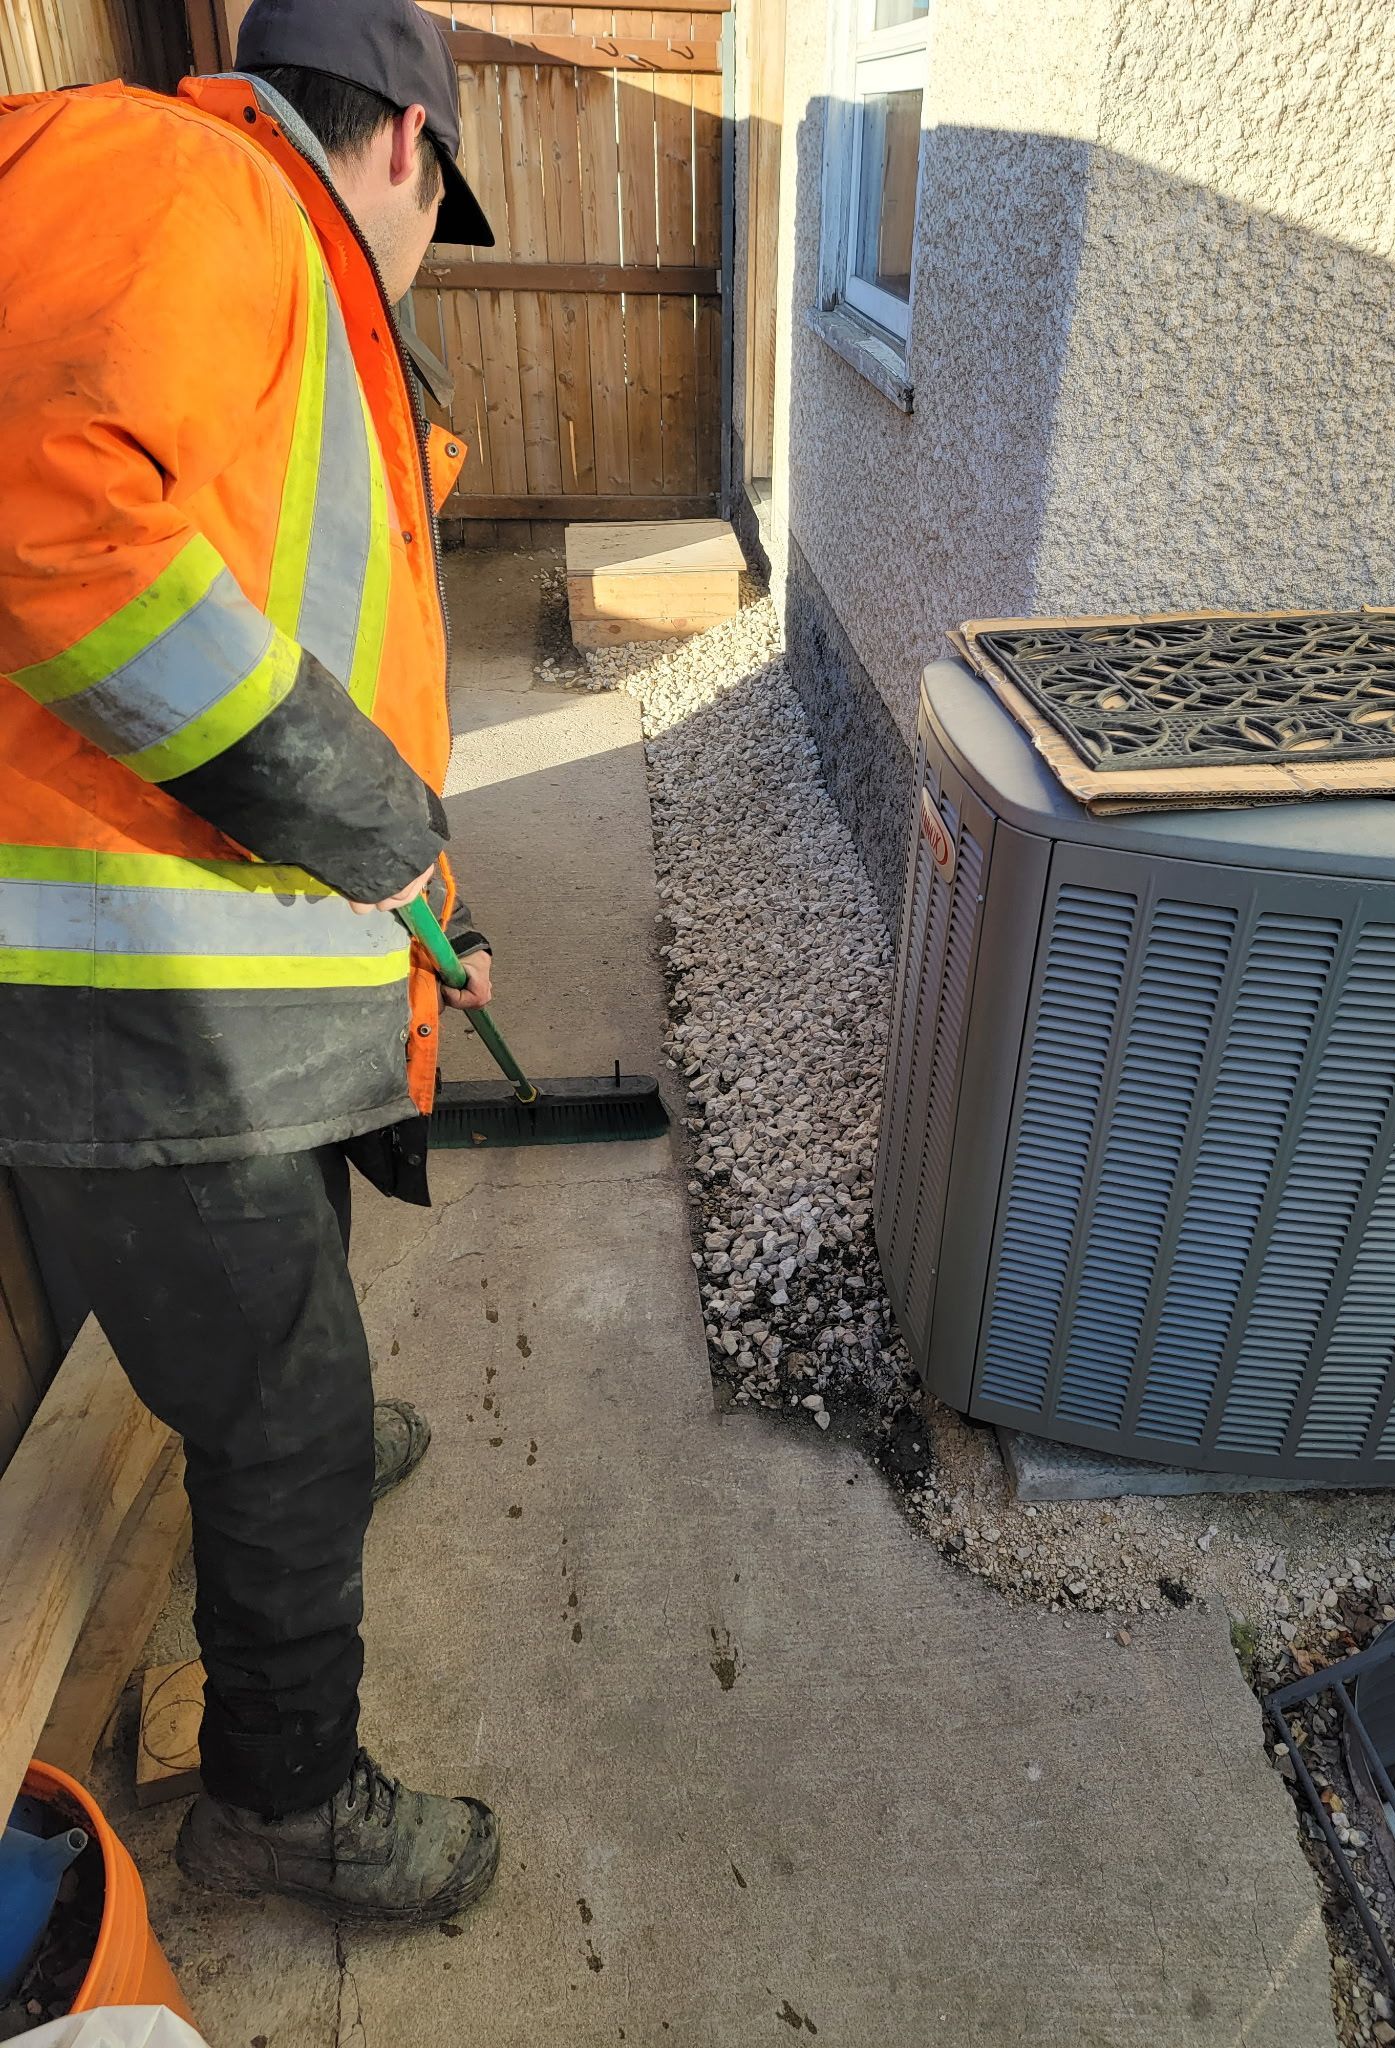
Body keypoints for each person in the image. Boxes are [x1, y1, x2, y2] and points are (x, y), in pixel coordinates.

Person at [0, 0, 506, 1924]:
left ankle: (295, 1414)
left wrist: (401, 895)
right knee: (275, 1402)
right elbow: (65, 525)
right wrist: (367, 821)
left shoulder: (254, 255)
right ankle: (282, 1802)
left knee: (289, 1320)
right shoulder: (191, 184)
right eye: (437, 201)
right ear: (403, 142)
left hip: (198, 978)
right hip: (127, 1003)